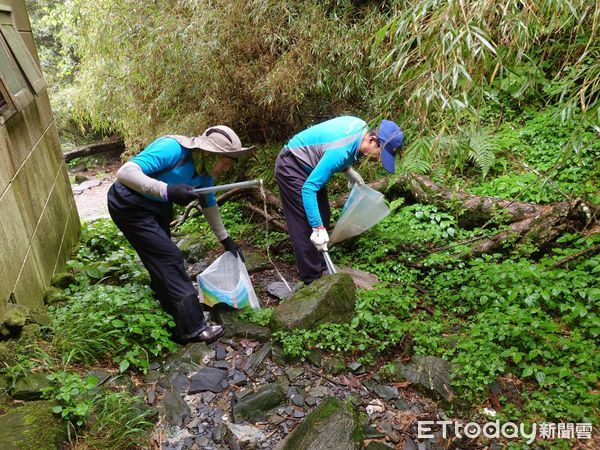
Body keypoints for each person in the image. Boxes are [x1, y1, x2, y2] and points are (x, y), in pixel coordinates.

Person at [107, 126, 254, 344]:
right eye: (227, 162)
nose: (227, 169)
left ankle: (165, 302)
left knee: (161, 256)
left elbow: (209, 204)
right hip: (129, 204)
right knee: (169, 257)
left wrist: (225, 239)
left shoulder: (205, 173)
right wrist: (167, 190)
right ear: (210, 153)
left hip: (158, 207)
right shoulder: (172, 148)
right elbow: (126, 172)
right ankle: (192, 329)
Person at [274, 116, 404, 285]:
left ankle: (320, 265)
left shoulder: (360, 128)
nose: (377, 158)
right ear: (372, 139)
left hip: (309, 167)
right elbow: (309, 189)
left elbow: (332, 145)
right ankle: (312, 280)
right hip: (291, 166)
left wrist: (348, 170)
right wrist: (317, 228)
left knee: (324, 213)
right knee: (306, 224)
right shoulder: (340, 152)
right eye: (379, 153)